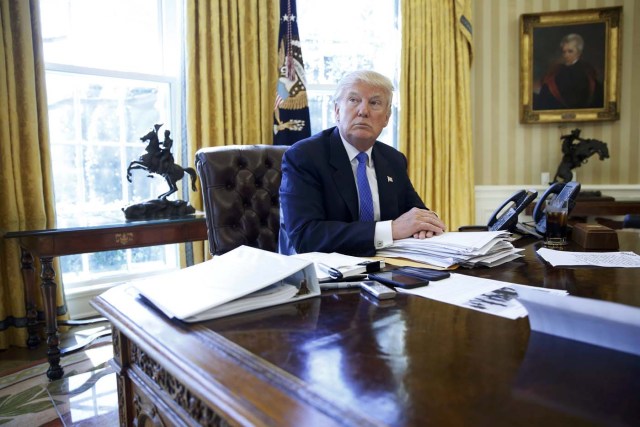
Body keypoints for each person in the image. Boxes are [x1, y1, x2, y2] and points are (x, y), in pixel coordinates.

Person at [278, 70, 446, 257]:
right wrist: (390, 230)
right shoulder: (304, 156)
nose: (363, 111)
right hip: (325, 275)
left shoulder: (393, 160)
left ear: (386, 118)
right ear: (337, 111)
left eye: (374, 103)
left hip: (386, 269)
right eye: (353, 100)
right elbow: (306, 237)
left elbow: (417, 214)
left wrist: (426, 225)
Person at [533, 33, 604, 110]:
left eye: (570, 51)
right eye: (564, 52)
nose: (566, 55)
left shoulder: (586, 71)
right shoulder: (557, 70)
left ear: (579, 53)